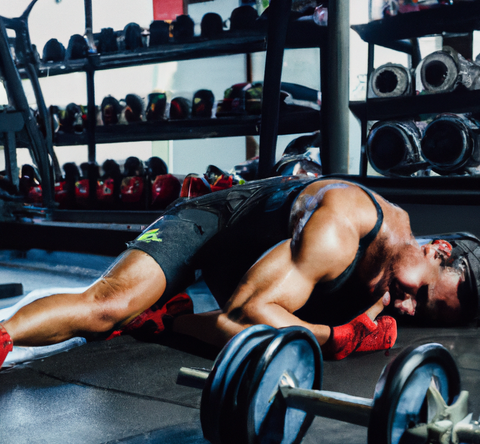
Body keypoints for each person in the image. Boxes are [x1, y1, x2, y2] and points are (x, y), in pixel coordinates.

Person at [0, 175, 479, 365]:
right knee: (107, 307)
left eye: (420, 312)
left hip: (254, 267)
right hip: (213, 221)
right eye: (420, 294)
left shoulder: (397, 274)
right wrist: (334, 338)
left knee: (271, 335)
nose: (405, 306)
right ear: (436, 250)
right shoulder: (342, 228)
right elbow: (243, 314)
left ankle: (164, 318)